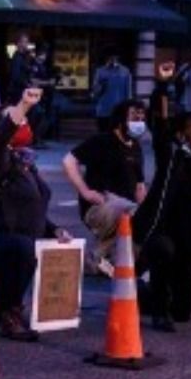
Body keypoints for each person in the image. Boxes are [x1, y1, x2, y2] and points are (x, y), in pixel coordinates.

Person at [0, 88, 71, 341]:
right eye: (18, 119)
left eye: (26, 119)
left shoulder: (25, 162)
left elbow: (30, 208)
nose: (24, 122)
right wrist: (23, 104)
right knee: (23, 247)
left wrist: (54, 230)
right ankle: (11, 314)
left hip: (12, 242)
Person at [133, 112, 191, 332]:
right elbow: (160, 133)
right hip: (163, 235)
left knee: (183, 312)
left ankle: (142, 294)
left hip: (190, 244)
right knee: (164, 251)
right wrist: (161, 86)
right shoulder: (171, 161)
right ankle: (157, 308)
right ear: (181, 135)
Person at [62, 99, 148, 275]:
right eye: (134, 117)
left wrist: (149, 211)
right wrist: (85, 191)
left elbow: (140, 186)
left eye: (141, 118)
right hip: (100, 205)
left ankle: (99, 258)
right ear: (121, 118)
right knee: (132, 214)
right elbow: (69, 161)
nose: (138, 122)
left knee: (143, 220)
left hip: (127, 209)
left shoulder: (136, 147)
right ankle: (100, 256)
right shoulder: (102, 141)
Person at [91, 52, 132, 132]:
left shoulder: (125, 71)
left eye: (114, 57)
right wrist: (100, 85)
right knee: (103, 134)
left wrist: (128, 108)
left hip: (119, 110)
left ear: (117, 58)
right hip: (103, 110)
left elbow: (128, 92)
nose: (112, 59)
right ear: (106, 58)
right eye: (110, 57)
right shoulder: (100, 71)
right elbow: (95, 92)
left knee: (117, 134)